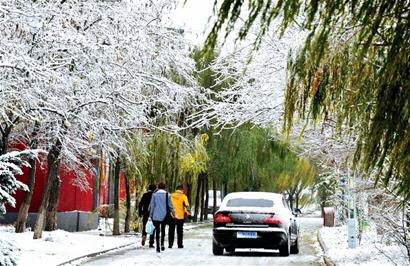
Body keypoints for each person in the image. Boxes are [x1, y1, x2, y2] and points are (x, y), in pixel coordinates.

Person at [149, 181, 176, 253]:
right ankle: (162, 244)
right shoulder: (168, 195)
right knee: (163, 230)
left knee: (157, 231)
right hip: (164, 216)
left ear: (158, 187)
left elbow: (152, 206)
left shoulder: (154, 195)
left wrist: (150, 215)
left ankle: (157, 247)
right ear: (164, 187)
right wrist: (174, 214)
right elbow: (170, 206)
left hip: (156, 215)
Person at [168, 184, 191, 249]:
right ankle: (180, 244)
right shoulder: (184, 197)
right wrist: (189, 214)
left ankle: (170, 244)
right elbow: (186, 206)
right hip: (180, 216)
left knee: (171, 230)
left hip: (172, 215)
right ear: (181, 189)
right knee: (180, 231)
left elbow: (168, 205)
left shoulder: (171, 195)